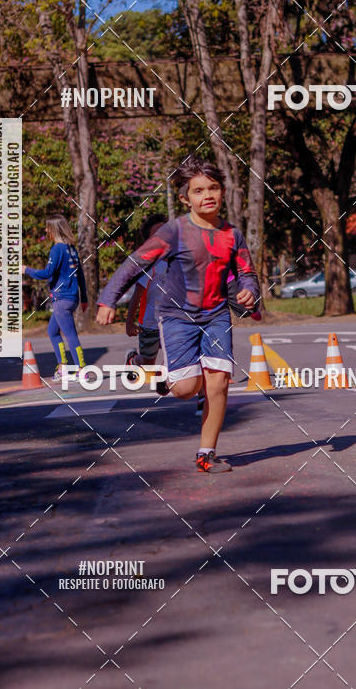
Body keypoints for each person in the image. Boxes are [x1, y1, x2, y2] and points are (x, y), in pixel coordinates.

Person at [96, 155, 259, 473]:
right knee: (186, 389)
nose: (207, 195)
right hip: (176, 317)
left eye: (213, 188)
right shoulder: (174, 232)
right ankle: (171, 372)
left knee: (219, 382)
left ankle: (206, 454)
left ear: (222, 192)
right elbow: (134, 264)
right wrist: (107, 300)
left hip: (216, 315)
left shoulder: (232, 235)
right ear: (186, 198)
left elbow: (247, 272)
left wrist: (249, 290)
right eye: (198, 191)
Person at [22, 214, 88, 381]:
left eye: (47, 227)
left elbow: (47, 273)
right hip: (72, 298)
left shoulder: (57, 249)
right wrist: (85, 298)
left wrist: (26, 270)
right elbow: (80, 275)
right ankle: (63, 366)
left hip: (62, 299)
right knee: (52, 331)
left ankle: (82, 369)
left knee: (70, 334)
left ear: (54, 229)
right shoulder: (71, 249)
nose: (45, 230)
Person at [124, 214, 169, 394]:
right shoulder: (149, 265)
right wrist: (129, 323)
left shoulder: (179, 260)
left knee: (173, 354)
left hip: (171, 321)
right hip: (149, 322)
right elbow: (137, 295)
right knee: (147, 363)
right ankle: (133, 360)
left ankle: (163, 376)